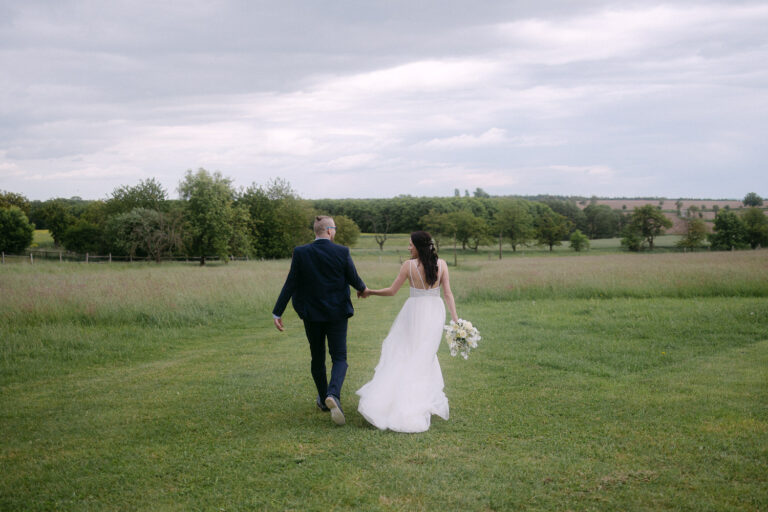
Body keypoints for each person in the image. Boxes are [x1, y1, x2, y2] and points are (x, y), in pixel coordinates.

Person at [355, 231, 459, 433]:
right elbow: (447, 294)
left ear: (419, 246)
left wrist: (370, 291)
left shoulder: (408, 266)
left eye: (410, 244)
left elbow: (392, 291)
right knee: (424, 355)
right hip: (435, 312)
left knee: (410, 352)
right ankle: (418, 400)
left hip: (414, 311)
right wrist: (455, 320)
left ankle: (407, 401)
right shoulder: (442, 264)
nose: (408, 248)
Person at [272, 216, 367, 426]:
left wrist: (277, 312)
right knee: (339, 357)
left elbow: (290, 283)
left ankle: (324, 400)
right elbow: (353, 278)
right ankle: (333, 394)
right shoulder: (341, 251)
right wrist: (362, 289)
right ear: (330, 230)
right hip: (337, 314)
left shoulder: (301, 252)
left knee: (317, 357)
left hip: (312, 315)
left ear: (316, 231)